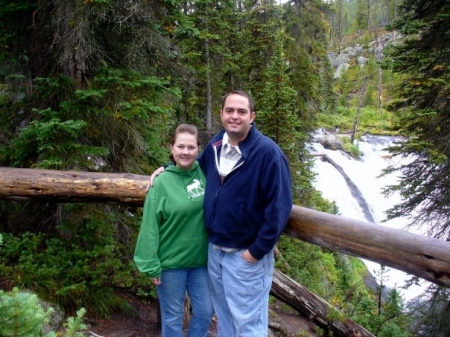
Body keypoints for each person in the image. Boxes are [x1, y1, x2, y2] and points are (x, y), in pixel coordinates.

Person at [150, 90, 292, 336]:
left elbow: (280, 208)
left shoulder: (267, 153)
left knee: (248, 325)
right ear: (221, 114)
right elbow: (193, 167)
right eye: (229, 111)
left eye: (241, 111)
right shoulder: (216, 145)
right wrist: (168, 167)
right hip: (215, 252)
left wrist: (256, 251)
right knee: (225, 319)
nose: (234, 116)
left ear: (252, 116)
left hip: (245, 256)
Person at [134, 124, 213, 337]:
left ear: (198, 149)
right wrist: (150, 264)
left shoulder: (206, 172)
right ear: (172, 148)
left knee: (206, 312)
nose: (185, 152)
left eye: (191, 147)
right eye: (180, 146)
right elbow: (150, 225)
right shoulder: (160, 183)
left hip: (202, 262)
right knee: (172, 319)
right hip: (170, 265)